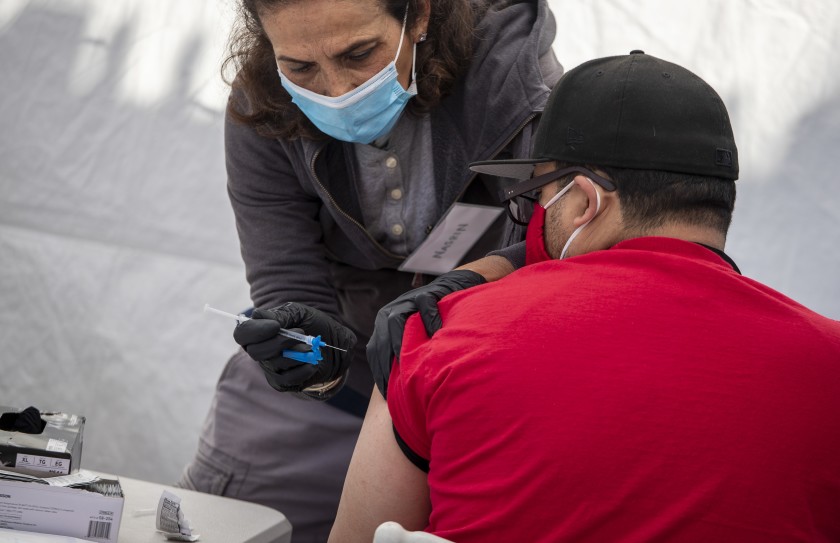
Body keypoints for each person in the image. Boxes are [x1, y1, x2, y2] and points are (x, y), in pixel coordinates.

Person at [328, 51, 840, 543]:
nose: (531, 218)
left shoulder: (439, 333)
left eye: (538, 194)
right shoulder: (829, 358)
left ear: (584, 202)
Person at [176, 0, 563, 540]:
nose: (335, 91)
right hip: (343, 381)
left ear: (420, 16)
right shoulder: (261, 102)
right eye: (301, 68)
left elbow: (561, 249)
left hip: (481, 378)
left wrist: (450, 295)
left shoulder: (514, 80)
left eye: (359, 54)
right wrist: (307, 350)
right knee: (223, 525)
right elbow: (287, 276)